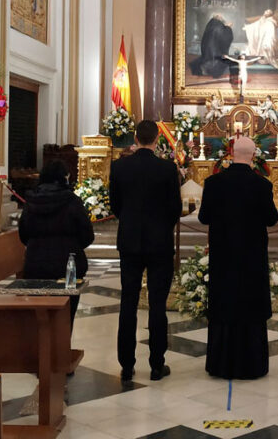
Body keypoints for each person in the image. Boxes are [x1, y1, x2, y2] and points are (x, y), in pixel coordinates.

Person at [199, 136, 278, 379]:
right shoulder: (262, 185)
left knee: (225, 304)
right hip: (252, 258)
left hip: (223, 257)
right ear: (254, 155)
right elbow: (272, 219)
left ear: (231, 153)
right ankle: (252, 364)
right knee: (250, 306)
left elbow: (203, 218)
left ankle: (220, 363)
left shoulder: (213, 183)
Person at [110, 120, 182, 383]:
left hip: (129, 242)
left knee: (127, 302)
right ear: (156, 141)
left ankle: (127, 366)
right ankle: (156, 364)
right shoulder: (166, 168)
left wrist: (131, 223)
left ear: (136, 138)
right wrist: (161, 226)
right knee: (157, 304)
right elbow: (175, 207)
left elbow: (115, 204)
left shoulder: (119, 166)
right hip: (159, 243)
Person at [18, 160, 94, 330]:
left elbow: (23, 234)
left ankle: (40, 351)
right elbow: (87, 235)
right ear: (64, 178)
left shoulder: (31, 202)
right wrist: (72, 245)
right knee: (66, 314)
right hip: (68, 265)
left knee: (37, 317)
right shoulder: (72, 201)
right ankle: (62, 350)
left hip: (35, 264)